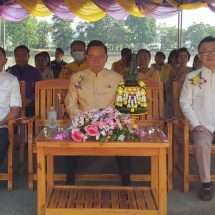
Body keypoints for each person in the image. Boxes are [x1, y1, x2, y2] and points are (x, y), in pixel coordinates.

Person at [65, 40, 131, 186]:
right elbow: (70, 103)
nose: (96, 60)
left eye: (100, 57)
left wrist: (111, 120)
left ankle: (126, 178)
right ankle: (69, 178)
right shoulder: (77, 77)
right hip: (83, 121)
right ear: (87, 57)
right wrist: (83, 119)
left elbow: (122, 106)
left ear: (106, 58)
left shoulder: (117, 78)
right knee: (71, 135)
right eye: (92, 57)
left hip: (109, 123)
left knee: (122, 136)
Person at [180, 36, 215, 201]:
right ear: (199, 56)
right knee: (201, 142)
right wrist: (196, 124)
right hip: (203, 126)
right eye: (205, 51)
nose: (210, 54)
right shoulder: (193, 77)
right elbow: (185, 103)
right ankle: (206, 183)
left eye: (213, 50)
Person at [0, 47, 22, 166]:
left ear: (5, 60)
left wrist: (2, 122)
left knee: (1, 140)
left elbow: (15, 109)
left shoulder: (11, 80)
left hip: (2, 125)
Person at [7, 45, 42, 116]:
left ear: (28, 57)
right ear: (14, 57)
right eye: (18, 56)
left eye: (24, 55)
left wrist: (30, 100)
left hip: (30, 105)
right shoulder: (9, 71)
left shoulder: (35, 72)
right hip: (12, 106)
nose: (21, 58)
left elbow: (40, 90)